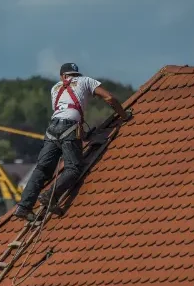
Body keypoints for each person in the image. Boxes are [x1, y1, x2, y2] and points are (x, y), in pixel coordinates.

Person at [13, 62, 131, 221]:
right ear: (76, 74)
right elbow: (109, 98)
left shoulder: (55, 88)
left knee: (42, 169)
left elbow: (64, 110)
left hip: (52, 129)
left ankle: (24, 207)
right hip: (69, 128)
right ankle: (50, 195)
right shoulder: (86, 81)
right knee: (74, 168)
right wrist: (124, 116)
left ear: (63, 76)